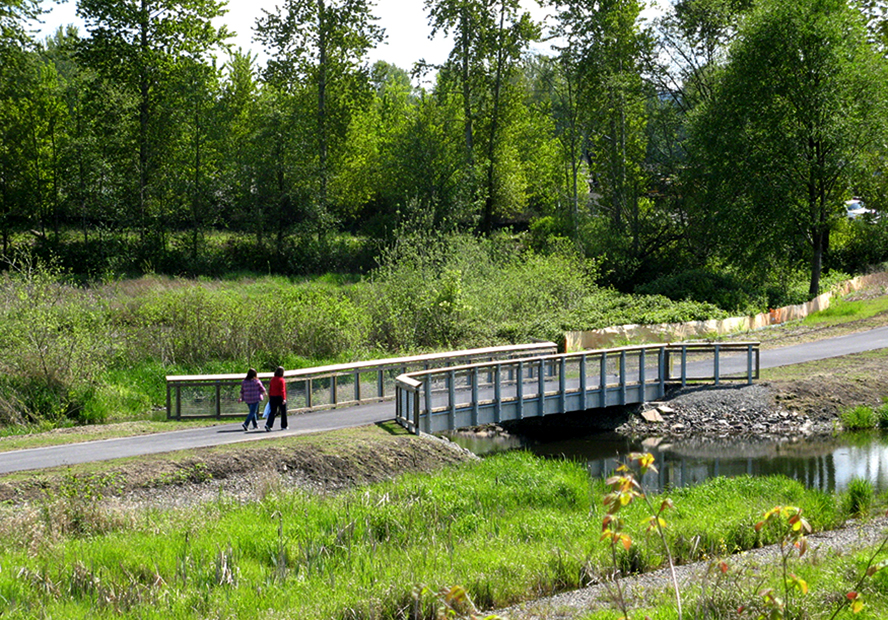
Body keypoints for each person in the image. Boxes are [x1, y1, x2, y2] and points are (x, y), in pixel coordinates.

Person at [265, 366, 288, 431]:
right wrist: (284, 398)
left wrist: (269, 397)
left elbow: (270, 389)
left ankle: (268, 424)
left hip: (272, 396)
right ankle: (284, 426)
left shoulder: (272, 379)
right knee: (283, 412)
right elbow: (282, 390)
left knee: (272, 411)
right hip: (279, 397)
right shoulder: (281, 380)